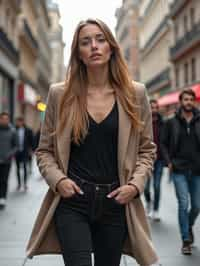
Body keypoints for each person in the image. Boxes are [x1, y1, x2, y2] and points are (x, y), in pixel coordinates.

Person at [25, 19, 160, 266]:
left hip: (116, 201)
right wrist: (59, 181)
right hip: (72, 201)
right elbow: (44, 150)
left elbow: (147, 149)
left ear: (111, 48)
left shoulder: (135, 94)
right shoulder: (60, 94)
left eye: (100, 39)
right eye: (85, 42)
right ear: (78, 53)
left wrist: (135, 186)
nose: (94, 46)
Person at [161, 89, 200, 255]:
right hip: (179, 169)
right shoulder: (171, 122)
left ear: (194, 101)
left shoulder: (199, 120)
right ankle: (185, 240)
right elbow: (162, 143)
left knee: (197, 206)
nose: (189, 102)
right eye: (186, 99)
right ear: (181, 101)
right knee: (183, 204)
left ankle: (188, 225)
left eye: (191, 99)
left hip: (197, 170)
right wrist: (169, 162)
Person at [144, 99, 164, 221]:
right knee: (146, 188)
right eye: (152, 107)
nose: (154, 110)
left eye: (156, 107)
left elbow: (166, 141)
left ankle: (156, 210)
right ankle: (149, 202)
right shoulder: (144, 123)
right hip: (147, 159)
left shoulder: (163, 123)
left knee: (157, 186)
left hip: (160, 160)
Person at [0, 112, 18, 209]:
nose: (4, 120)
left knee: (4, 180)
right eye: (2, 119)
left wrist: (9, 154)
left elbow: (16, 146)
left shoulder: (12, 131)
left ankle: (2, 199)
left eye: (6, 119)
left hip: (6, 161)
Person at [15, 117, 33, 191]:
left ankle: (25, 183)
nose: (18, 123)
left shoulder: (28, 130)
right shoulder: (14, 130)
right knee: (18, 168)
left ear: (22, 122)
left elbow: (31, 141)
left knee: (25, 167)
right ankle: (19, 184)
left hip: (25, 152)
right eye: (17, 122)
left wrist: (31, 150)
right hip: (17, 152)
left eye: (20, 122)